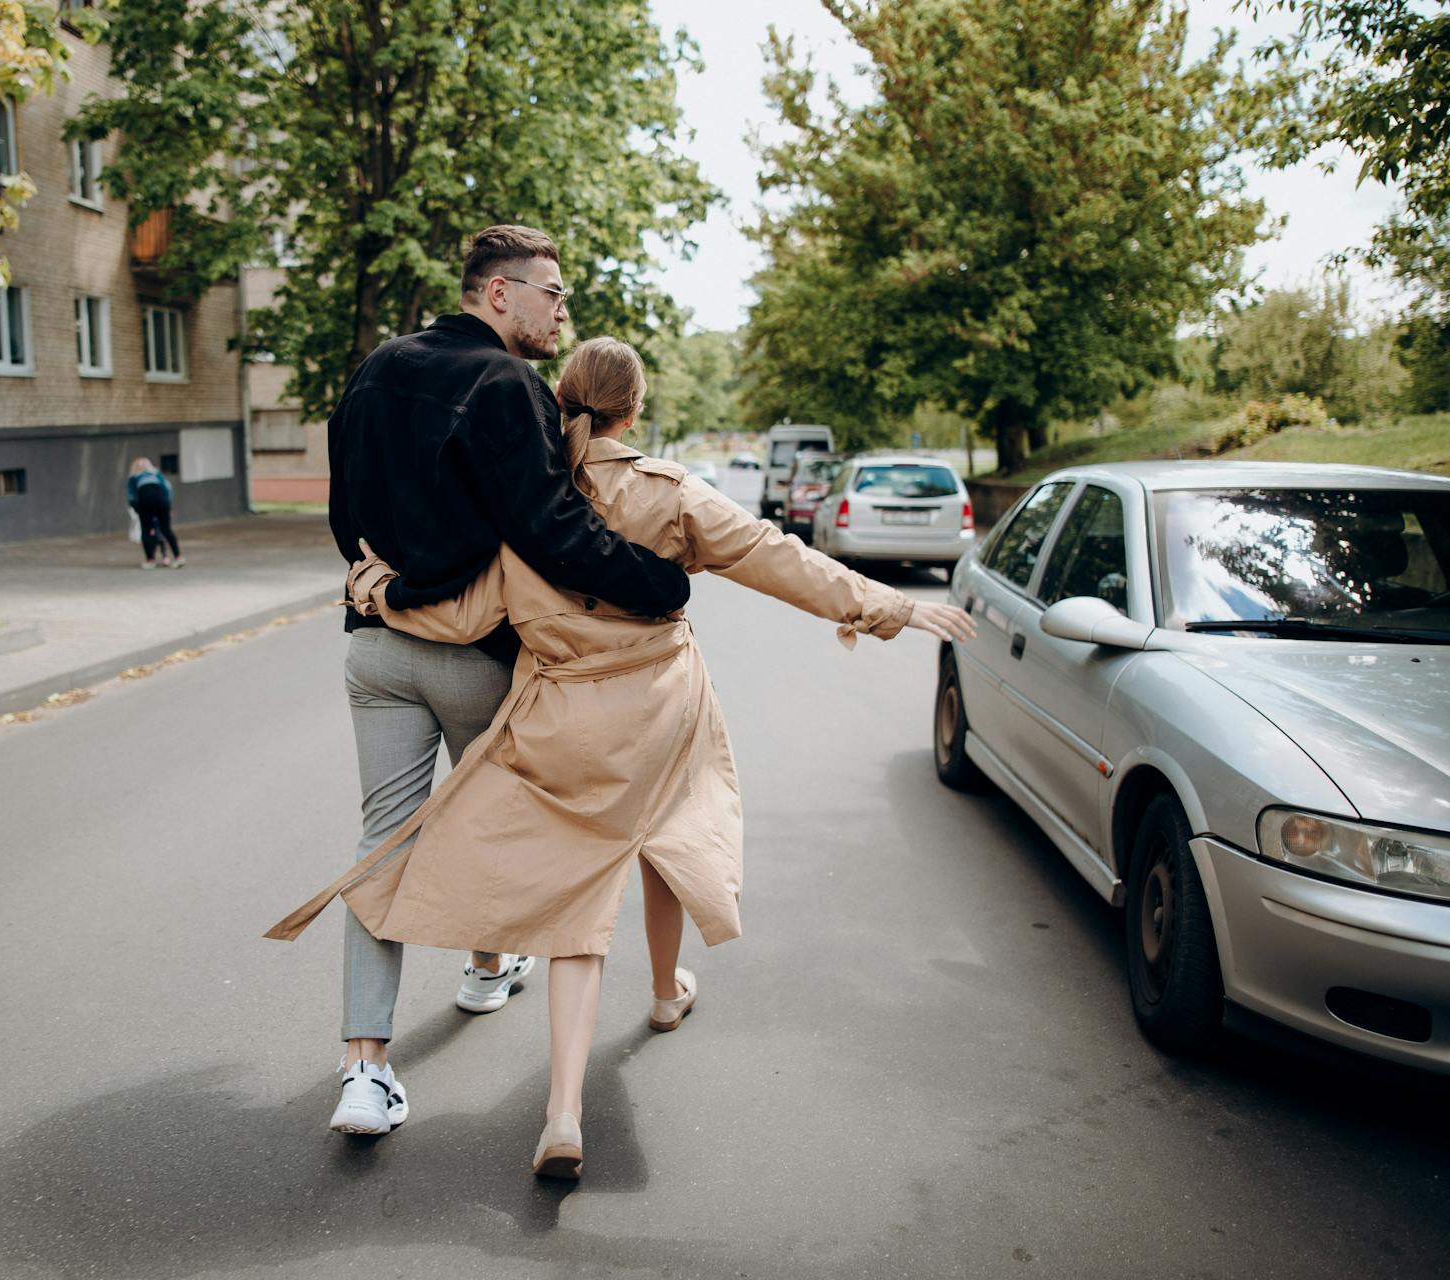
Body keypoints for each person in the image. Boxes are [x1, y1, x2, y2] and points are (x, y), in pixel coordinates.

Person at [269, 337, 975, 1178]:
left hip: (561, 714)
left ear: (561, 402)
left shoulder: (525, 506)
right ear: (634, 408)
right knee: (672, 836)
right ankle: (667, 991)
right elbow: (773, 556)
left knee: (576, 898)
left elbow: (460, 618)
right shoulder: (671, 493)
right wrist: (884, 606)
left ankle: (561, 1110)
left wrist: (372, 590)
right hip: (658, 706)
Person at [314, 227, 693, 1138]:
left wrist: (390, 589)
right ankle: (487, 971)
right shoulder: (506, 387)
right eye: (551, 293)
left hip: (374, 650)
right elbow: (552, 530)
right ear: (497, 294)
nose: (562, 310)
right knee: (496, 820)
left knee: (385, 844)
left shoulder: (372, 372)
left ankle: (365, 1071)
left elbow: (343, 511)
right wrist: (661, 585)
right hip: (477, 658)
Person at [126, 458, 184, 569]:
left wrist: (137, 508)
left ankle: (150, 560)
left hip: (145, 500)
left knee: (146, 531)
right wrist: (168, 506)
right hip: (162, 499)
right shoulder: (156, 473)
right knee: (166, 529)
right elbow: (167, 487)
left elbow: (131, 495)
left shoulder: (133, 477)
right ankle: (178, 557)